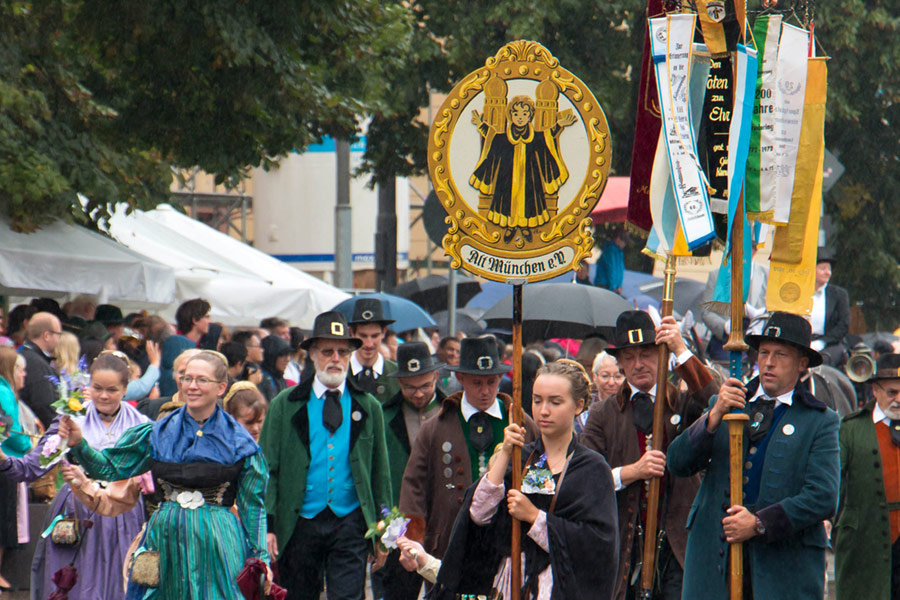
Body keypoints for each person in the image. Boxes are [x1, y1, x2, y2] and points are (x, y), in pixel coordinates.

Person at [60, 350, 271, 599]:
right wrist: (79, 444)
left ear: (221, 387)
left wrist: (260, 558)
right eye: (187, 378)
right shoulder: (157, 432)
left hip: (218, 542)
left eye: (202, 380)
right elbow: (109, 467)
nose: (192, 386)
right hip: (165, 539)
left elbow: (253, 507)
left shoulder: (240, 442)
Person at [667, 311, 840, 599]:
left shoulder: (821, 420)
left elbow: (823, 497)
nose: (769, 362)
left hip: (781, 570)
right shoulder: (726, 403)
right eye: (764, 352)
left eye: (781, 354)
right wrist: (713, 417)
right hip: (714, 565)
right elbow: (677, 463)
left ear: (802, 363)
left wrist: (760, 523)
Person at [422, 359, 619, 599]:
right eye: (537, 400)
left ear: (578, 406)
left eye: (555, 402)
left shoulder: (591, 468)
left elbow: (598, 545)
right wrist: (505, 453)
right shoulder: (523, 459)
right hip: (511, 584)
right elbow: (478, 514)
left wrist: (535, 517)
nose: (543, 410)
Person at [580, 310, 716, 600]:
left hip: (679, 545)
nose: (638, 364)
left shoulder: (683, 402)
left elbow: (716, 401)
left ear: (661, 354)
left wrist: (681, 348)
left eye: (647, 354)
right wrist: (633, 471)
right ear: (619, 362)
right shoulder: (602, 414)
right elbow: (586, 477)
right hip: (624, 545)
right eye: (629, 357)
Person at [259, 311, 391, 600]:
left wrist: (383, 530)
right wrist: (268, 525)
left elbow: (380, 472)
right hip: (300, 519)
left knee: (347, 595)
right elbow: (268, 468)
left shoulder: (368, 406)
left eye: (343, 352)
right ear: (312, 354)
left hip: (350, 521)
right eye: (327, 351)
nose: (335, 358)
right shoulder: (286, 404)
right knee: (299, 594)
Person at [0, 353, 149, 599]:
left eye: (112, 389)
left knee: (120, 581)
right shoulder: (71, 420)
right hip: (76, 510)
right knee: (76, 583)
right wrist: (5, 460)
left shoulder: (140, 425)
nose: (103, 395)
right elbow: (31, 467)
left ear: (125, 389)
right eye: (97, 388)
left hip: (123, 512)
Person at [400, 336, 539, 562]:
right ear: (460, 377)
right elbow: (414, 485)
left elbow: (540, 475)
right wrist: (412, 540)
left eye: (491, 382)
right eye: (477, 383)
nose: (485, 391)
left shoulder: (521, 423)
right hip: (447, 545)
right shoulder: (435, 428)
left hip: (505, 546)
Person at [380, 342, 447, 600]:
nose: (418, 394)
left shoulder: (450, 411)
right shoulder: (386, 416)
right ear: (399, 383)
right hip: (401, 519)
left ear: (436, 378)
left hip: (443, 516)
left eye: (425, 386)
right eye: (410, 387)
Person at [833, 353, 900, 598]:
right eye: (892, 392)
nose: (899, 400)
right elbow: (834, 482)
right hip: (864, 541)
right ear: (875, 390)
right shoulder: (850, 428)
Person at [469, 95, 575, 231]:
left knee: (530, 200)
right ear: (510, 115)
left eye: (525, 113)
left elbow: (547, 137)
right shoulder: (504, 138)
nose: (520, 117)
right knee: (505, 201)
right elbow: (492, 139)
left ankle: (526, 227)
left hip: (530, 177)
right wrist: (480, 124)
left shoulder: (535, 137)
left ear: (530, 116)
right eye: (516, 113)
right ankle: (510, 227)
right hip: (506, 178)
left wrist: (560, 124)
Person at [0, 348, 32, 590]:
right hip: (7, 462)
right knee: (4, 520)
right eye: (21, 369)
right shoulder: (3, 391)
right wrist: (31, 445)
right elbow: (11, 429)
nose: (24, 374)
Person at [348, 298, 400, 404]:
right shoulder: (341, 373)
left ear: (384, 332)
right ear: (351, 333)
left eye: (374, 336)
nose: (369, 344)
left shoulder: (397, 375)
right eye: (363, 336)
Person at [18, 311, 62, 427]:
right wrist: (57, 430)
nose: (59, 340)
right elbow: (43, 404)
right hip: (34, 432)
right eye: (58, 335)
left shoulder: (23, 355)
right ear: (47, 335)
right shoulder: (37, 364)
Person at [159, 298, 210, 396]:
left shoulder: (192, 344)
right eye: (206, 317)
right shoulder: (177, 343)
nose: (209, 321)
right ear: (195, 320)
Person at [810, 248, 850, 367]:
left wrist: (820, 343)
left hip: (829, 344)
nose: (828, 273)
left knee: (821, 362)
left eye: (829, 269)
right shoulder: (799, 292)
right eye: (823, 269)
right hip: (802, 342)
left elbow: (843, 324)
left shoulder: (839, 294)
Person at [136, 348, 201, 421]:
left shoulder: (214, 414)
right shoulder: (151, 407)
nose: (188, 378)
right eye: (182, 372)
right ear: (175, 374)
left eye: (197, 374)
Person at [594, 228, 628, 294]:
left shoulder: (619, 252)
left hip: (612, 287)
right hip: (604, 285)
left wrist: (618, 286)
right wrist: (614, 287)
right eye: (624, 241)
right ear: (618, 239)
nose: (625, 244)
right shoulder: (611, 250)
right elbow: (611, 269)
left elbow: (619, 271)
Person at [259, 334, 291, 402]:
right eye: (282, 355)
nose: (287, 359)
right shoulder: (261, 378)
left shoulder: (279, 378)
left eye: (288, 355)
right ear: (272, 356)